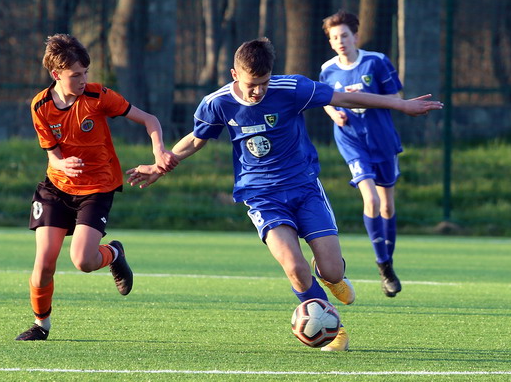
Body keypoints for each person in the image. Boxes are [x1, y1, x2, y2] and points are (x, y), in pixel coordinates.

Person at [126, 38, 442, 351]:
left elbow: (344, 98)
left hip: (305, 188)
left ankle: (330, 277)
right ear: (234, 74)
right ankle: (335, 329)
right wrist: (160, 166)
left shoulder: (292, 89)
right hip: (261, 196)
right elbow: (197, 139)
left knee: (333, 270)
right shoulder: (217, 102)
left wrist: (401, 105)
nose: (258, 91)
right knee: (294, 266)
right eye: (251, 84)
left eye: (264, 83)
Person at [15, 34, 178, 341]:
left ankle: (114, 253)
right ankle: (41, 325)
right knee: (44, 264)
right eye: (75, 75)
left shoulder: (98, 96)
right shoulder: (41, 105)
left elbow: (150, 120)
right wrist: (62, 165)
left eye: (85, 73)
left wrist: (159, 152)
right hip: (56, 188)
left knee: (83, 261)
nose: (83, 80)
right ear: (56, 75)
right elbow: (52, 154)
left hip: (97, 188)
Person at [319, 10, 414, 298]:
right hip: (352, 141)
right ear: (330, 42)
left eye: (344, 35)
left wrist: (360, 98)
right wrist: (334, 113)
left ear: (356, 37)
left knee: (387, 206)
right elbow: (325, 99)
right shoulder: (327, 70)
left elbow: (395, 98)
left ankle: (388, 261)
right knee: (370, 199)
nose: (340, 41)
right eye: (334, 37)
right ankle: (383, 266)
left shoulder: (376, 61)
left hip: (382, 140)